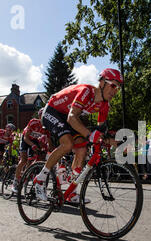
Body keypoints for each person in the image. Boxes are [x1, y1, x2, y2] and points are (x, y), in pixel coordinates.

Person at [34, 68, 122, 203]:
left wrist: (115, 142)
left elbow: (101, 130)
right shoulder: (87, 91)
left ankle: (71, 191)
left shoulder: (104, 105)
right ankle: (40, 179)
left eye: (118, 88)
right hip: (53, 111)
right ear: (102, 82)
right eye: (113, 86)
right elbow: (71, 117)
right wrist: (89, 134)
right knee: (68, 144)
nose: (115, 91)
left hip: (70, 117)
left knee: (82, 149)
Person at [11, 109, 50, 193]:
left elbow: (47, 141)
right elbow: (26, 137)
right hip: (26, 139)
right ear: (39, 116)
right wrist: (32, 145)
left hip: (35, 140)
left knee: (35, 159)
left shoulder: (46, 127)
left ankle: (26, 174)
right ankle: (15, 181)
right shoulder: (33, 122)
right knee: (23, 160)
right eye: (42, 116)